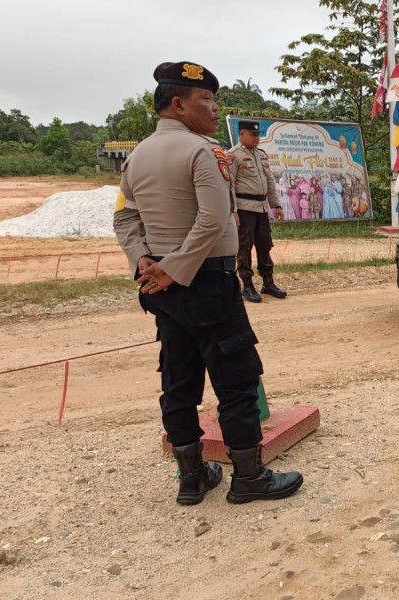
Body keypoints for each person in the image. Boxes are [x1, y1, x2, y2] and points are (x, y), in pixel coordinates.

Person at [113, 61, 302, 506]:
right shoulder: (205, 152)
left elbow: (124, 215)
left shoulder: (137, 155)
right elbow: (214, 218)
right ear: (178, 104)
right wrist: (175, 267)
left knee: (179, 379)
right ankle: (250, 477)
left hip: (164, 290)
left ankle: (192, 475)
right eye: (207, 100)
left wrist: (146, 261)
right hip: (208, 283)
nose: (215, 109)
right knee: (236, 378)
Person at [229, 120, 287, 303]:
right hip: (244, 208)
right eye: (252, 135)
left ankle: (268, 282)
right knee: (244, 247)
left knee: (265, 244)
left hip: (261, 208)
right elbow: (228, 185)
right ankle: (247, 285)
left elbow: (269, 181)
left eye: (257, 135)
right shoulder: (233, 155)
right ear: (241, 134)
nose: (256, 138)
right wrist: (233, 211)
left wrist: (276, 205)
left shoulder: (261, 155)